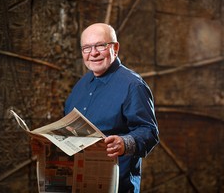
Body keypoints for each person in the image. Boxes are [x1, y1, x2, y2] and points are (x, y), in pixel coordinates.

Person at [64, 23, 159, 192]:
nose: (93, 53)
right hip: (78, 184)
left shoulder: (133, 85)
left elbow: (149, 132)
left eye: (100, 45)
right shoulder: (80, 86)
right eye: (86, 48)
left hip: (117, 187)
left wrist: (125, 143)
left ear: (115, 48)